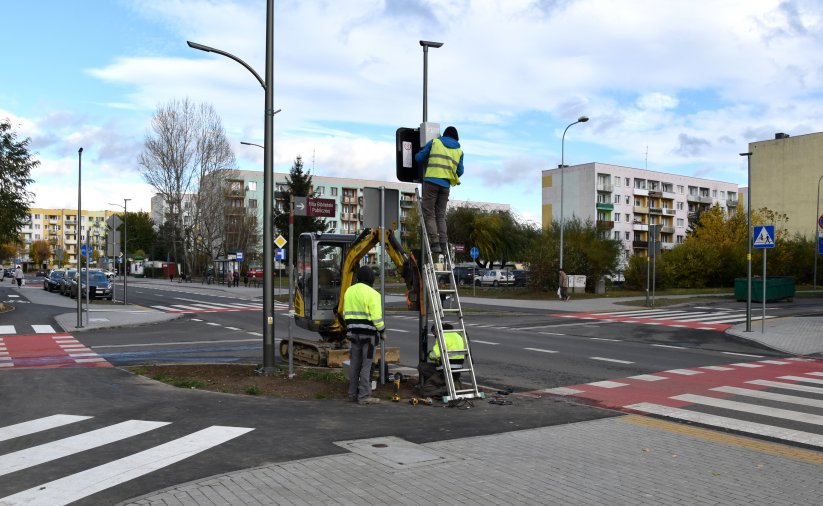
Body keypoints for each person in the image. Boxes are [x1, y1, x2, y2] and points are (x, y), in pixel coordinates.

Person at [415, 126, 464, 255]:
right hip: (445, 186)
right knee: (441, 215)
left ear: (444, 134)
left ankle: (435, 242)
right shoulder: (459, 151)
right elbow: (460, 171)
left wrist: (420, 152)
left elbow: (419, 158)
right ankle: (443, 242)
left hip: (431, 182)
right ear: (456, 138)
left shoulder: (435, 142)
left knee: (429, 213)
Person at [342, 265, 385, 405]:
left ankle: (351, 394)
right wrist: (383, 331)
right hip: (368, 336)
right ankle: (364, 396)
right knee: (367, 365)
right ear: (371, 279)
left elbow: (345, 313)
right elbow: (377, 318)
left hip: (354, 334)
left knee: (354, 364)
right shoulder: (374, 294)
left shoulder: (349, 291)